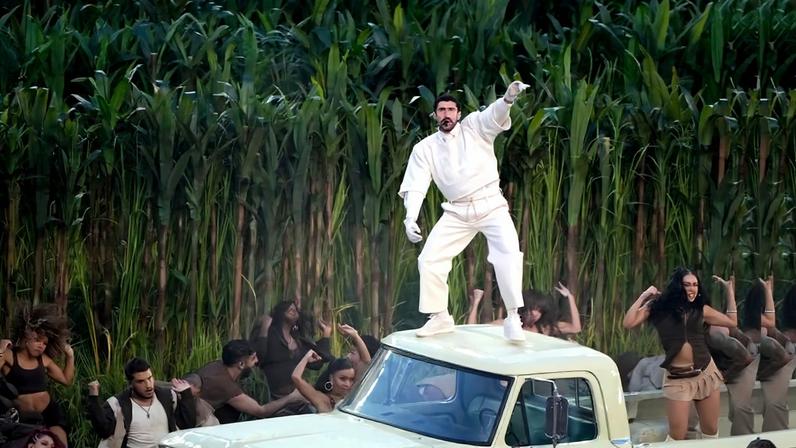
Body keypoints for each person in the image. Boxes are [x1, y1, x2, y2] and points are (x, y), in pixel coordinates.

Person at [398, 81, 530, 342]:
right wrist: (410, 216)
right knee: (429, 259)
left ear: (458, 113)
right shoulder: (424, 148)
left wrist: (508, 100)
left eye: (451, 109)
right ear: (435, 115)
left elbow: (492, 116)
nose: (446, 114)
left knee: (508, 254)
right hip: (457, 211)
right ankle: (439, 316)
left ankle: (513, 315)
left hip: (491, 204)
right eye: (441, 110)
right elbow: (416, 184)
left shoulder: (474, 127)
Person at [622, 267, 737, 440]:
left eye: (695, 285)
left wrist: (729, 291)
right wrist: (644, 296)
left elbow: (732, 322)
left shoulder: (701, 309)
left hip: (705, 373)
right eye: (687, 284)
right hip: (678, 379)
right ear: (678, 286)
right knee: (677, 435)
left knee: (711, 431)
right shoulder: (658, 307)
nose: (692, 288)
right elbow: (628, 322)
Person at [0, 305, 73, 446]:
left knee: (60, 444)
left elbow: (66, 380)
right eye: (38, 340)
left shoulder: (44, 359)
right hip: (22, 420)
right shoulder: (9, 356)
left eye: (45, 343)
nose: (41, 345)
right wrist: (1, 349)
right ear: (26, 336)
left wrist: (70, 357)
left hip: (49, 413)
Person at [86, 357, 195, 448]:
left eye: (150, 378)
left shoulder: (168, 397)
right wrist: (93, 398)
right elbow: (103, 430)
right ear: (130, 383)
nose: (148, 385)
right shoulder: (117, 404)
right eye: (141, 381)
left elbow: (188, 425)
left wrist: (187, 395)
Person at [250, 301, 331, 414]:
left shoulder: (298, 342)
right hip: (276, 402)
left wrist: (326, 333)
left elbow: (320, 361)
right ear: (280, 312)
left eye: (295, 309)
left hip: (299, 400)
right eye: (289, 308)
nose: (293, 310)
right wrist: (264, 329)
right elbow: (259, 357)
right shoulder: (272, 335)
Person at [195, 339, 303, 423]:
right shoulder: (226, 386)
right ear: (241, 364)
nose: (257, 361)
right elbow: (261, 411)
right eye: (253, 358)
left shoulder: (217, 365)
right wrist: (291, 397)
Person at [467, 283, 581, 338]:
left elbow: (575, 328)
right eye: (533, 309)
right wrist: (476, 303)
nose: (536, 314)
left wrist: (570, 297)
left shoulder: (544, 328)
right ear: (525, 308)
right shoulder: (508, 324)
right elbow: (472, 331)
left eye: (540, 310)